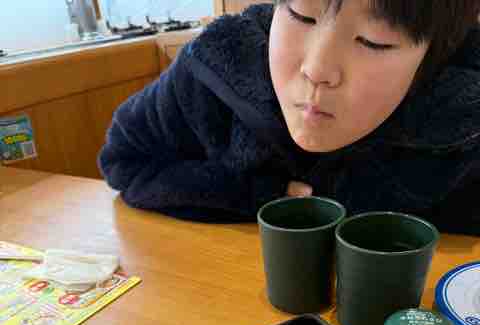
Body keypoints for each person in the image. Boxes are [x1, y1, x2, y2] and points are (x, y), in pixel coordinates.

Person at [98, 1, 480, 234]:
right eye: (301, 14)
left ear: (435, 55)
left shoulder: (464, 113)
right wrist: (260, 195)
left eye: (373, 40)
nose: (317, 69)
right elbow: (124, 160)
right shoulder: (214, 67)